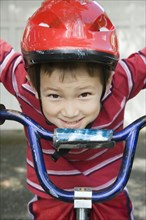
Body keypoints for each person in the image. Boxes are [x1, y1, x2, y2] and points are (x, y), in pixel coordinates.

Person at [0, 0, 145, 219]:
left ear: (108, 82)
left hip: (109, 192)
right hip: (51, 194)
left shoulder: (121, 81)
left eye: (84, 94)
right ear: (33, 82)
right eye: (54, 95)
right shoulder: (25, 85)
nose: (69, 112)